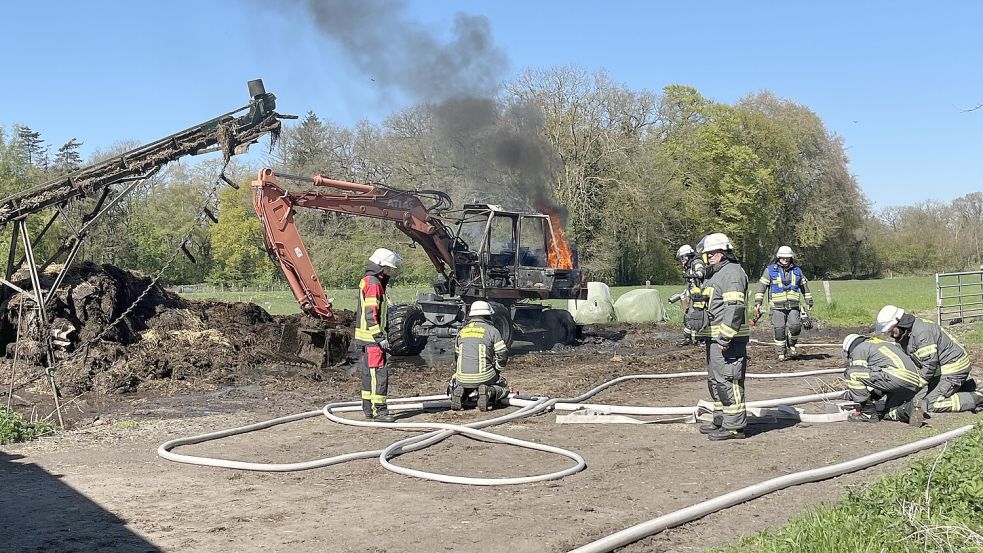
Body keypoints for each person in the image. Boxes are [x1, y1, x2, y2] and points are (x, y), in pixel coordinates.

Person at [693, 233, 749, 440]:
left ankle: (734, 426)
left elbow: (734, 308)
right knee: (716, 381)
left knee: (729, 381)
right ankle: (721, 420)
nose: (705, 259)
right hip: (715, 339)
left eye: (708, 254)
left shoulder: (732, 273)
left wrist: (725, 338)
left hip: (728, 342)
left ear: (719, 253)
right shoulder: (716, 274)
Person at [876, 305, 982, 413]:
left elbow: (929, 367)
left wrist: (912, 384)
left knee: (929, 405)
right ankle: (966, 387)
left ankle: (978, 398)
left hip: (954, 368)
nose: (890, 335)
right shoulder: (905, 334)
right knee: (915, 398)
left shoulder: (922, 333)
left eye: (891, 330)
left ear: (900, 322)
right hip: (941, 370)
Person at [355, 247, 402, 423]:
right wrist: (380, 338)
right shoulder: (374, 284)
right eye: (388, 268)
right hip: (372, 340)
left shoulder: (368, 280)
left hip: (366, 339)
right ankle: (379, 411)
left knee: (368, 375)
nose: (390, 271)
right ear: (381, 266)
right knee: (378, 375)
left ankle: (368, 409)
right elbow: (371, 314)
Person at [841, 334, 925, 423]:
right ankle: (910, 409)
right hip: (912, 381)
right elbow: (879, 379)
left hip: (896, 377)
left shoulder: (859, 349)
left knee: (851, 373)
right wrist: (873, 396)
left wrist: (855, 395)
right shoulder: (881, 344)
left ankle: (868, 414)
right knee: (887, 413)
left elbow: (859, 374)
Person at [753, 246, 814, 361]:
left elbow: (804, 286)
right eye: (783, 257)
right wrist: (758, 302)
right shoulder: (770, 270)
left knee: (796, 326)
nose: (785, 259)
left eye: (788, 257)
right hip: (777, 307)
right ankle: (781, 353)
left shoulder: (797, 270)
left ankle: (791, 344)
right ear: (778, 257)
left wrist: (809, 301)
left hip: (794, 306)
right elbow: (761, 287)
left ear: (791, 257)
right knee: (779, 328)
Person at [449, 301, 510, 411]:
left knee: (465, 382)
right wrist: (497, 370)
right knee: (504, 386)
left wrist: (458, 373)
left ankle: (460, 392)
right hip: (484, 376)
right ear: (488, 315)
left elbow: (456, 357)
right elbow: (502, 355)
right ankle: (489, 391)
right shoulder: (492, 331)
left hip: (461, 377)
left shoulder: (462, 332)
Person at [674, 244, 707, 347]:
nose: (681, 261)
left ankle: (699, 338)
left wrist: (694, 275)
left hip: (701, 295)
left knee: (697, 316)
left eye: (682, 258)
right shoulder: (688, 266)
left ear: (687, 256)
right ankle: (688, 338)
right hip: (694, 294)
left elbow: (701, 272)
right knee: (689, 315)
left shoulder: (696, 262)